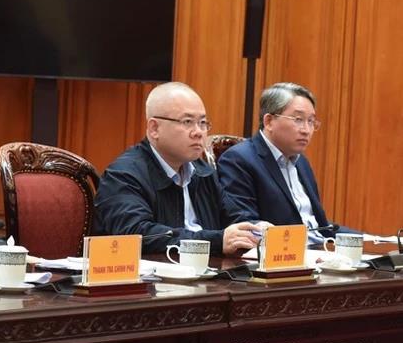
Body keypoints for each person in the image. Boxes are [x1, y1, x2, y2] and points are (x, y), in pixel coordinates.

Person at [94, 82, 265, 255]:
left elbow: (233, 217)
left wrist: (256, 228)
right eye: (187, 122)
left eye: (203, 122)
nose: (198, 132)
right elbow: (138, 235)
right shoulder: (123, 175)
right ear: (154, 128)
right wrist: (215, 242)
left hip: (206, 269)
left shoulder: (203, 171)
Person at [218, 82, 356, 244]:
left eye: (311, 121)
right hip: (283, 252)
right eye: (298, 119)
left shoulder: (301, 162)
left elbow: (320, 226)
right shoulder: (238, 160)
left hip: (320, 247)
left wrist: (372, 239)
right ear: (269, 121)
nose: (306, 130)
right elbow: (245, 224)